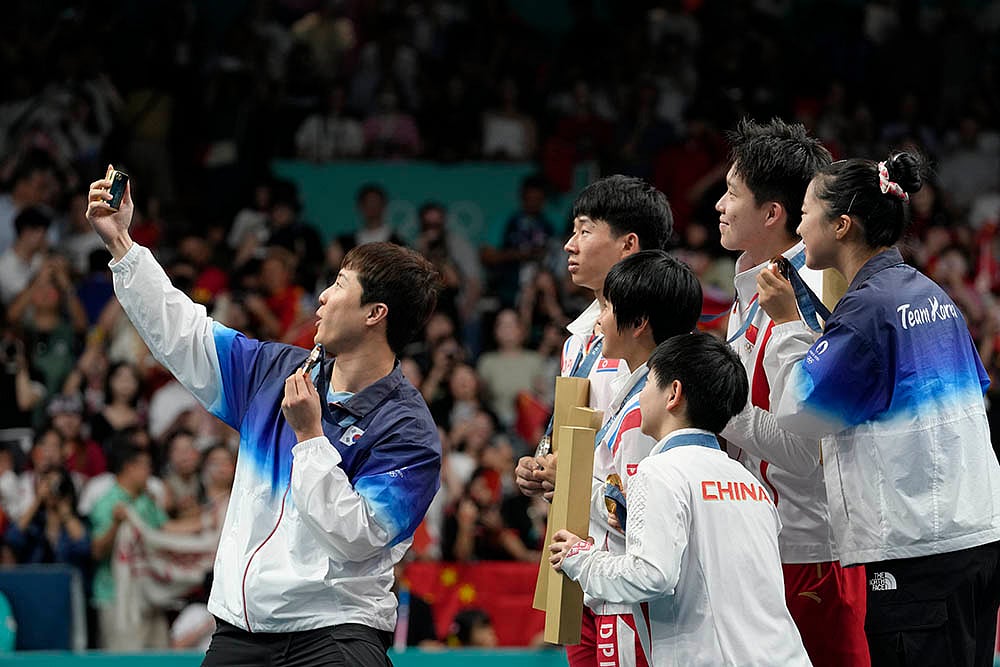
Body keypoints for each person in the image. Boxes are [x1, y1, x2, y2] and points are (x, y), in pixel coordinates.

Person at [86, 167, 443, 667]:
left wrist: (310, 437)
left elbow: (357, 537)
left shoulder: (409, 431)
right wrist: (122, 243)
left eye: (339, 285)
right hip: (241, 631)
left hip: (336, 633)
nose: (322, 296)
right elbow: (184, 333)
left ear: (374, 314)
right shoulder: (275, 371)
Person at [757, 151, 1000, 667]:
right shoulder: (931, 294)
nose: (798, 227)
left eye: (805, 213)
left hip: (917, 556)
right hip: (975, 539)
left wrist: (784, 324)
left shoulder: (868, 307)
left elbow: (804, 413)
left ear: (841, 225)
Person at [549, 333, 811, 667]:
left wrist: (579, 557)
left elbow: (650, 576)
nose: (641, 395)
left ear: (673, 394)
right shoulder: (751, 482)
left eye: (647, 384)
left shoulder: (658, 472)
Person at [713, 117, 868, 665]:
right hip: (760, 539)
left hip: (810, 549)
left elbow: (808, 450)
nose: (719, 206)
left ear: (773, 214)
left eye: (732, 194)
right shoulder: (752, 288)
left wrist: (717, 407)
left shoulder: (811, 296)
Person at [515, 174, 673, 667]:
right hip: (577, 564)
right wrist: (545, 467)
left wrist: (576, 477)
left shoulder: (667, 344)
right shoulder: (579, 339)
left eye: (585, 231)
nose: (569, 244)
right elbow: (570, 442)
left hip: (633, 572)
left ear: (628, 245)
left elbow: (649, 472)